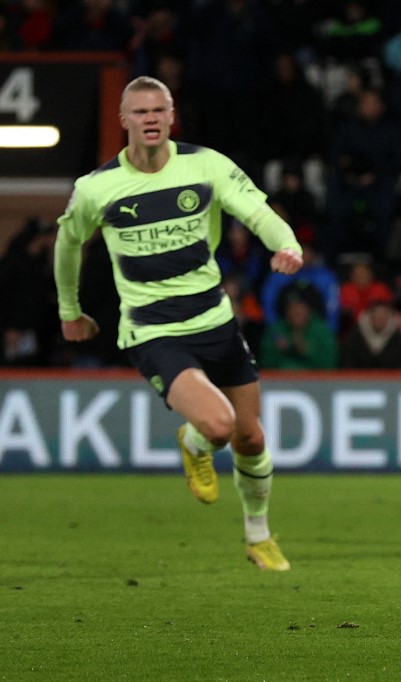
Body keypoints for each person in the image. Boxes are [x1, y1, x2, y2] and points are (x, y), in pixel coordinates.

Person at [53, 76, 303, 571]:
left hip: (215, 320)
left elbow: (257, 211)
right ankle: (193, 441)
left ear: (171, 116)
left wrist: (286, 243)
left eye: (159, 110)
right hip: (153, 330)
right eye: (140, 111)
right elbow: (67, 245)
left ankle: (259, 537)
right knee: (218, 425)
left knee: (250, 438)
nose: (150, 119)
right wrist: (68, 310)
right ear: (123, 120)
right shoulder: (96, 188)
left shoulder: (206, 166)